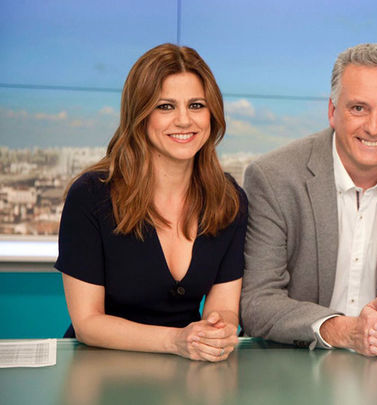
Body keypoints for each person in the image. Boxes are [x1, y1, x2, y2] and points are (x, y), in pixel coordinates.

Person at [241, 43, 377, 357]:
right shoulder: (273, 177)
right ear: (332, 112)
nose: (373, 127)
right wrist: (347, 331)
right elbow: (257, 302)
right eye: (358, 108)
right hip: (294, 361)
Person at [55, 43, 247, 362]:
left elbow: (224, 307)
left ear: (212, 114)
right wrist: (176, 340)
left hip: (187, 368)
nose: (184, 120)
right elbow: (87, 323)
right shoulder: (90, 195)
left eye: (196, 105)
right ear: (140, 115)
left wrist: (219, 329)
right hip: (100, 369)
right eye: (165, 106)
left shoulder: (228, 199)